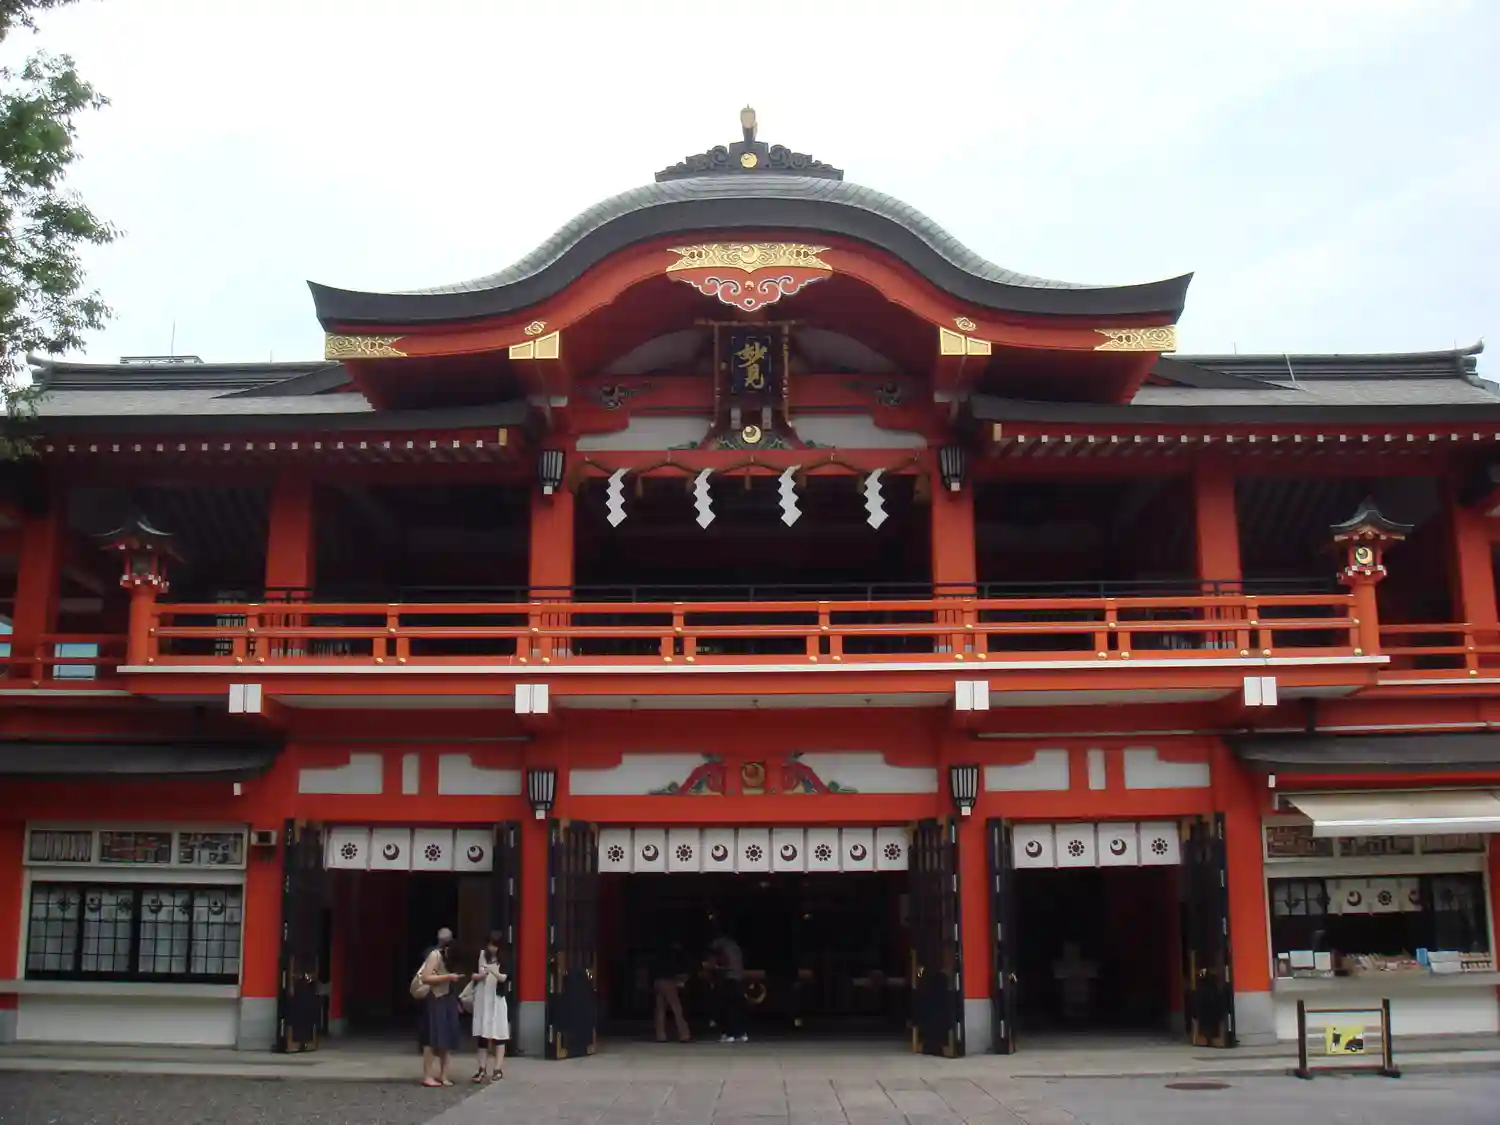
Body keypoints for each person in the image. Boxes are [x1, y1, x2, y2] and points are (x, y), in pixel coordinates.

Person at [418, 927, 465, 1087]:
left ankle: (444, 1075)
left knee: (448, 1036)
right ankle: (428, 1076)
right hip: (435, 998)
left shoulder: (452, 956)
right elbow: (425, 977)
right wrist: (448, 977)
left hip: (448, 998)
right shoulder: (435, 955)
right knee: (432, 1038)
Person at [470, 931, 510, 1082]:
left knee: (499, 1033)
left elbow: (504, 978)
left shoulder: (505, 958)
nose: (492, 948)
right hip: (483, 997)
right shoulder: (482, 955)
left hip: (497, 998)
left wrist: (494, 971)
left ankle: (498, 1068)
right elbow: (473, 975)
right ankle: (481, 1068)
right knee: (483, 1033)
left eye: (495, 945)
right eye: (490, 944)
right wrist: (481, 975)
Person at [709, 933, 747, 1043]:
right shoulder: (736, 947)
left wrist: (716, 969)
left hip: (730, 978)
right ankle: (741, 1033)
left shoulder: (720, 946)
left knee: (728, 1007)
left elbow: (721, 965)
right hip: (739, 978)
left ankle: (730, 1033)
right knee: (738, 1007)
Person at [651, 940, 691, 1043]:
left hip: (657, 981)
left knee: (660, 1009)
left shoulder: (659, 954)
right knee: (676, 1008)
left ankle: (660, 1035)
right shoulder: (674, 955)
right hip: (668, 981)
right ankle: (684, 1034)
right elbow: (676, 970)